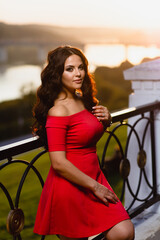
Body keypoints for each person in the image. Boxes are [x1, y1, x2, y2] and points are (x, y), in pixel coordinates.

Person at [33, 45, 135, 240]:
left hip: (94, 176)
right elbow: (58, 163)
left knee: (124, 232)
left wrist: (106, 121)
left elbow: (85, 138)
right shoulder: (58, 111)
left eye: (81, 67)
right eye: (69, 69)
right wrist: (95, 187)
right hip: (70, 186)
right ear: (57, 74)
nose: (78, 74)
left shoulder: (82, 98)